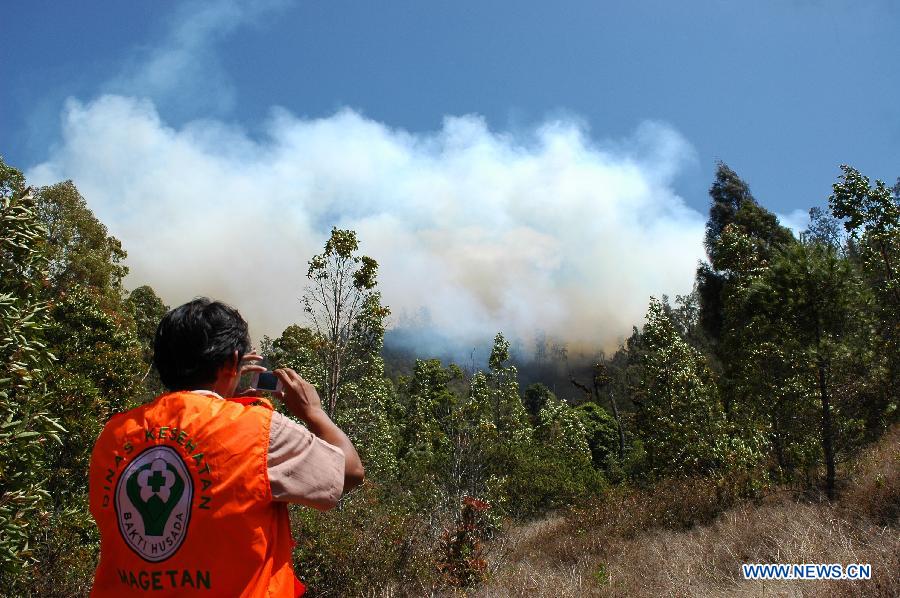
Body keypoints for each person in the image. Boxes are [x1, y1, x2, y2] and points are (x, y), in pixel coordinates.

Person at [88, 298, 364, 597]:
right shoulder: (258, 429)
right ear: (234, 361)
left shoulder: (114, 434)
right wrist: (314, 412)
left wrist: (225, 394)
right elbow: (349, 472)